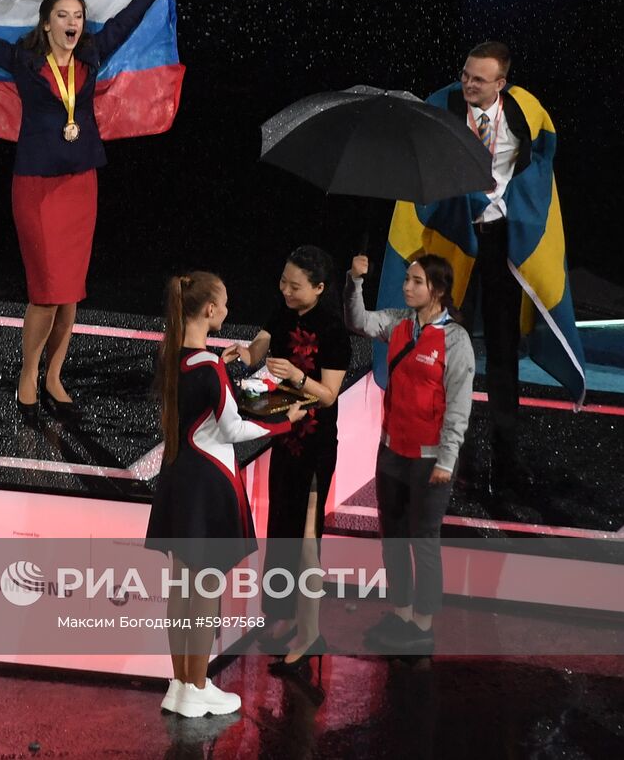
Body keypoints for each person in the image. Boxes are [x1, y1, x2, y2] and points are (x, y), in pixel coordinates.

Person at [0, 0, 190, 420]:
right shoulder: (22, 61)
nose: (72, 21)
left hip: (80, 185)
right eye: (63, 15)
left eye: (78, 15)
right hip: (36, 187)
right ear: (46, 24)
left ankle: (55, 374)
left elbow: (130, 17)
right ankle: (29, 373)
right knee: (45, 291)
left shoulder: (91, 56)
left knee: (69, 290)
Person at [376, 42, 585, 492]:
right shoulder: (441, 107)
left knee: (504, 355)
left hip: (501, 251)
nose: (468, 84)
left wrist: (515, 209)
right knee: (448, 352)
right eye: (466, 74)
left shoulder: (525, 113)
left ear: (501, 84)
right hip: (453, 250)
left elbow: (541, 162)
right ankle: (453, 457)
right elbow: (418, 171)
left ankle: (505, 458)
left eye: (479, 79)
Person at [145, 272, 305, 716]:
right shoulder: (210, 367)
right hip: (208, 483)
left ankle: (181, 684)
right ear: (210, 311)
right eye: (226, 303)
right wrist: (285, 419)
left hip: (179, 479)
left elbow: (205, 406)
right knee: (205, 590)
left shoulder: (172, 355)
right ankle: (196, 687)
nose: (229, 311)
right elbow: (233, 428)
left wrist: (229, 374)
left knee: (182, 587)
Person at [222, 247, 349, 672]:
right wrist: (249, 352)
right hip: (285, 437)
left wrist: (296, 376)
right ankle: (284, 617)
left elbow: (329, 395)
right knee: (281, 531)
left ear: (319, 287)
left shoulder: (334, 331)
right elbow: (265, 337)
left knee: (307, 541)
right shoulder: (285, 308)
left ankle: (310, 633)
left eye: (295, 286)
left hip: (314, 447)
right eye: (283, 282)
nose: (286, 291)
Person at [347, 253, 473, 653]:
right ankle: (401, 616)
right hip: (391, 453)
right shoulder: (400, 322)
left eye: (416, 281)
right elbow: (358, 321)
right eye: (407, 280)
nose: (407, 287)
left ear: (436, 290)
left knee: (424, 541)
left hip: (430, 461)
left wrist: (448, 461)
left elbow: (459, 406)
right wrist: (354, 281)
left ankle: (423, 625)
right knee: (393, 540)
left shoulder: (456, 341)